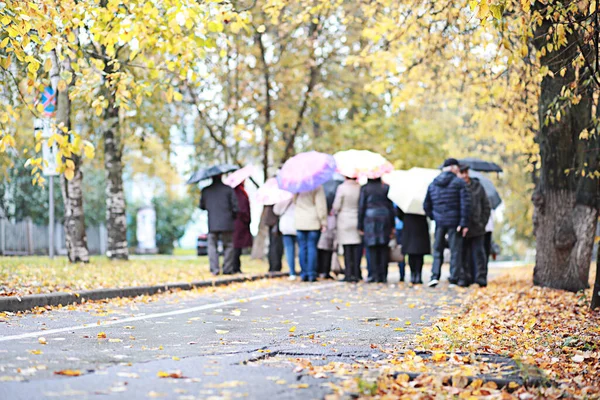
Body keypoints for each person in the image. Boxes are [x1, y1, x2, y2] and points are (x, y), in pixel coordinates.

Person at [423, 158, 471, 287]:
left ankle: (434, 276)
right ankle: (453, 279)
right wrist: (464, 223)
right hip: (455, 223)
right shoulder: (459, 183)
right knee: (455, 251)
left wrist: (434, 217)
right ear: (453, 168)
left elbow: (426, 205)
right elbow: (465, 205)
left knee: (437, 250)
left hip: (439, 222)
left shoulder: (433, 183)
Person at [457, 165, 491, 287]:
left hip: (477, 227)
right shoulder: (457, 186)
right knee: (463, 254)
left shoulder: (478, 186)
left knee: (479, 253)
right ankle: (465, 278)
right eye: (462, 173)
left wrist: (482, 222)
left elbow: (486, 206)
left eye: (466, 172)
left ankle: (481, 278)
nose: (465, 175)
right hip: (462, 227)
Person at [200, 174, 239, 275]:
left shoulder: (206, 191)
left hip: (212, 223)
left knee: (212, 246)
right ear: (221, 176)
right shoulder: (228, 190)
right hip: (227, 222)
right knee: (229, 245)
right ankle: (227, 269)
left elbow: (201, 206)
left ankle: (214, 269)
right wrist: (232, 216)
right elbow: (235, 207)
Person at [358, 178, 395, 283]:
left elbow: (361, 207)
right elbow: (391, 207)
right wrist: (392, 225)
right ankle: (382, 275)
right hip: (385, 219)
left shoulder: (365, 188)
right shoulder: (386, 188)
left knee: (371, 248)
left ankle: (372, 274)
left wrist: (360, 225)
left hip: (369, 219)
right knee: (383, 248)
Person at [332, 176, 362, 282]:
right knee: (356, 248)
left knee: (347, 248)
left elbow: (336, 206)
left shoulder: (342, 188)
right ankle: (357, 272)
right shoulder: (359, 188)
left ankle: (349, 273)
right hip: (357, 218)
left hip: (344, 220)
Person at [294, 186, 328, 282]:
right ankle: (311, 273)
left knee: (302, 248)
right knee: (312, 247)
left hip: (300, 220)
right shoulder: (317, 186)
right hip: (313, 220)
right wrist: (323, 221)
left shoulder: (298, 185)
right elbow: (321, 206)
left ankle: (303, 273)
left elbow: (294, 201)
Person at [397, 208, 431, 284]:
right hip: (420, 224)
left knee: (411, 252)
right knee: (419, 253)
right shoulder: (422, 198)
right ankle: (418, 275)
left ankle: (413, 274)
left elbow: (398, 213)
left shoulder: (405, 200)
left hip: (408, 224)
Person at [273, 198, 297, 280]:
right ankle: (305, 270)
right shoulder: (301, 193)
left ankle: (292, 272)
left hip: (286, 226)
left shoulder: (283, 196)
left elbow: (276, 210)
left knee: (289, 249)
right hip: (299, 224)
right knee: (302, 249)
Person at [232, 182, 252, 274]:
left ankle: (235, 266)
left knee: (236, 245)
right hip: (239, 223)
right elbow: (243, 210)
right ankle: (235, 267)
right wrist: (247, 219)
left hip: (236, 223)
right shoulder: (240, 193)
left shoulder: (235, 192)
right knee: (237, 246)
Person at [260, 204, 283, 273]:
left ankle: (273, 266)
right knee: (275, 244)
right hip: (275, 221)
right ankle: (275, 266)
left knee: (272, 244)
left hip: (270, 220)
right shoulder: (277, 198)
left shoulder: (269, 198)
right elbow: (277, 210)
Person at [394, 213, 407, 282]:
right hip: (402, 228)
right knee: (401, 253)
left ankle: (402, 275)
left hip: (396, 228)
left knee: (400, 253)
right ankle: (402, 275)